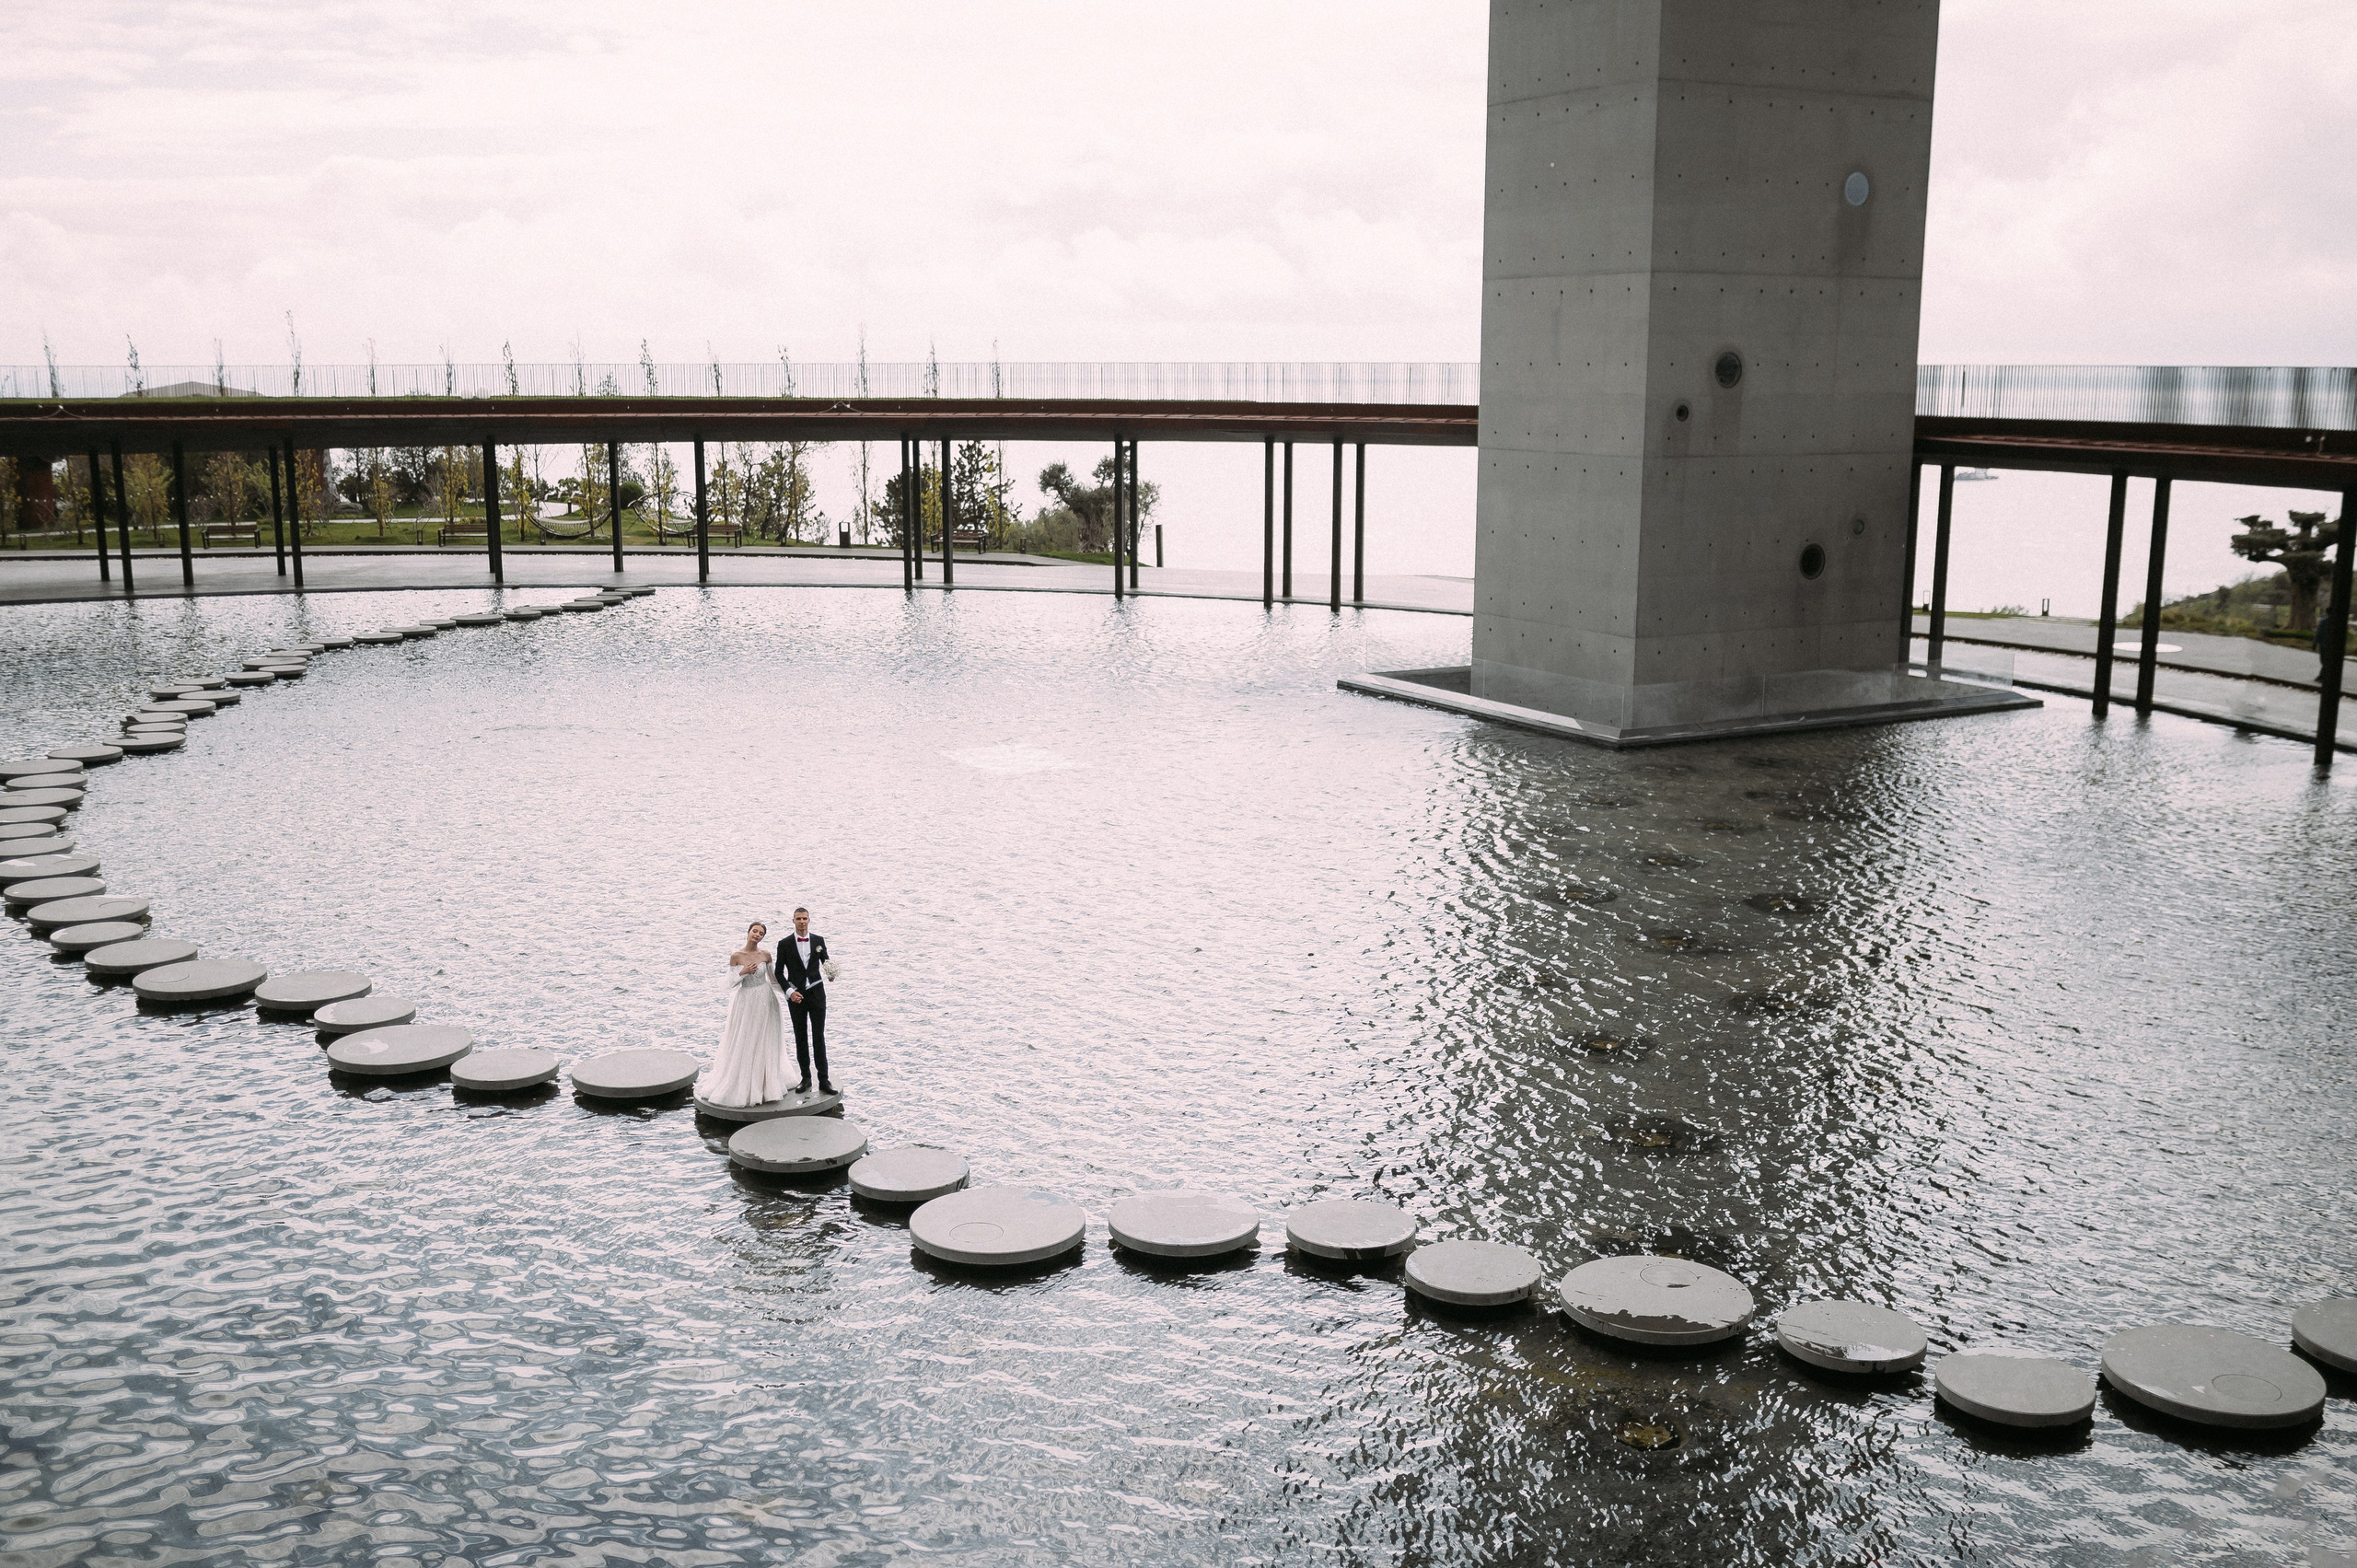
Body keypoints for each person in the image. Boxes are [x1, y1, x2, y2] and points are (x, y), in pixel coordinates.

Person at [705, 921, 791, 1107]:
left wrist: (789, 992)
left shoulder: (765, 955)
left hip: (766, 999)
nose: (757, 935)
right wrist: (742, 972)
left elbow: (773, 978)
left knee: (765, 1039)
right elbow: (728, 984)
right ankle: (745, 1084)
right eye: (755, 931)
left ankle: (765, 1083)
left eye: (761, 933)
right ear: (748, 932)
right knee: (747, 1039)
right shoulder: (737, 956)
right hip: (746, 1001)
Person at [773, 906, 836, 1096]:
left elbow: (825, 961)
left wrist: (831, 973)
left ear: (809, 920)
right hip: (797, 998)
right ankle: (806, 1078)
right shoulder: (784, 944)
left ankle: (824, 1080)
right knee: (801, 1037)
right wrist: (790, 992)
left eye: (805, 918)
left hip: (817, 994)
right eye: (798, 919)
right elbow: (778, 972)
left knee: (819, 1037)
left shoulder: (818, 941)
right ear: (793, 921)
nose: (802, 922)